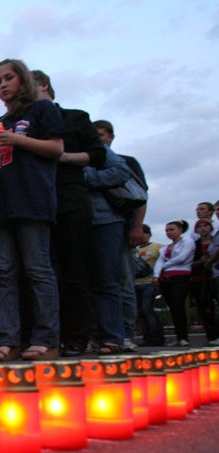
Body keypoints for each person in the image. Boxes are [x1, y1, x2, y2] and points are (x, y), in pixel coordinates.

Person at [0, 59, 64, 361]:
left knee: (38, 270)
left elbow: (56, 149)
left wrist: (18, 139)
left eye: (8, 78)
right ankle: (8, 340)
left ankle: (47, 338)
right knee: (3, 274)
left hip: (32, 202)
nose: (2, 84)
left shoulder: (43, 110)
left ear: (22, 79)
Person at [32, 70, 106, 357]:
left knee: (75, 270)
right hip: (36, 203)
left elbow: (97, 156)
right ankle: (49, 335)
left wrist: (58, 154)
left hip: (69, 198)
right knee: (43, 273)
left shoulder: (76, 117)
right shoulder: (25, 124)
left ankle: (77, 337)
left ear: (43, 86)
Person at [93, 120, 146, 350]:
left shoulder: (126, 162)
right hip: (94, 225)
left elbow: (140, 196)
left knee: (122, 282)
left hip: (120, 226)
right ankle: (103, 332)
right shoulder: (91, 160)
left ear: (111, 137)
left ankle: (126, 334)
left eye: (102, 135)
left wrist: (137, 226)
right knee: (101, 281)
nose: (99, 139)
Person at [82, 142, 132, 354]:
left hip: (104, 218)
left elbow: (122, 172)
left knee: (107, 280)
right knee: (80, 282)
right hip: (68, 220)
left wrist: (84, 178)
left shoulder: (96, 149)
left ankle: (113, 336)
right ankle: (89, 336)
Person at [154, 221, 195, 347]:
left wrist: (165, 266)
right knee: (172, 307)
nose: (169, 232)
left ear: (180, 230)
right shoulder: (165, 248)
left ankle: (183, 337)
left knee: (178, 305)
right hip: (166, 278)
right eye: (167, 230)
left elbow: (182, 258)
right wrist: (156, 274)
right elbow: (159, 261)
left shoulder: (187, 242)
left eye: (172, 229)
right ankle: (179, 336)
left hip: (181, 276)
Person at [135, 225, 165, 346]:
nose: (141, 236)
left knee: (147, 309)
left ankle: (156, 337)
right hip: (136, 283)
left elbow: (164, 260)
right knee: (139, 312)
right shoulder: (135, 250)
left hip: (150, 283)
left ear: (149, 234)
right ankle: (147, 337)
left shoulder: (158, 247)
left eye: (144, 233)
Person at [189, 218, 218, 343]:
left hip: (215, 275)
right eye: (200, 226)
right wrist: (201, 261)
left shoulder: (216, 241)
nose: (203, 228)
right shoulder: (193, 245)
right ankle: (212, 335)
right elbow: (189, 262)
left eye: (206, 225)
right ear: (196, 230)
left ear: (211, 228)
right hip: (200, 279)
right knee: (205, 307)